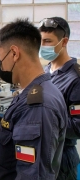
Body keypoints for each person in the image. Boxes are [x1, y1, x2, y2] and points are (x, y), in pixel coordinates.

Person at [0, 18, 68, 180]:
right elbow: (10, 133)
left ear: (14, 53)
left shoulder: (38, 106)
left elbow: (32, 176)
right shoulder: (32, 92)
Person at [39, 17, 80, 180]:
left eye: (48, 41)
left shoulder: (75, 78)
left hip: (63, 159)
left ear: (64, 42)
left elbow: (78, 127)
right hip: (44, 155)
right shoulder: (45, 71)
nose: (42, 46)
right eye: (40, 41)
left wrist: (45, 121)